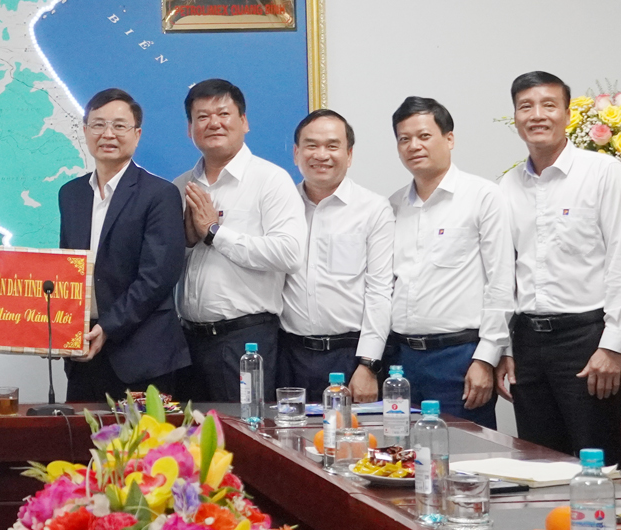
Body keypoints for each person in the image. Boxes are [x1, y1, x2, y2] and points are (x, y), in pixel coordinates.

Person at [495, 71, 621, 462]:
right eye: (526, 106)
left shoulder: (604, 172)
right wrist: (505, 347)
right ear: (515, 117)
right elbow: (504, 274)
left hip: (585, 340)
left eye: (548, 105)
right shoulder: (507, 186)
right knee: (539, 461)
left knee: (599, 461)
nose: (537, 115)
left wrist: (612, 346)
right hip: (527, 342)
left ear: (567, 114)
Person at [172, 79, 305, 403]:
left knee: (244, 431)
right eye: (202, 116)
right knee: (190, 431)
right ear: (190, 129)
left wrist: (215, 233)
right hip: (187, 341)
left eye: (223, 113)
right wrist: (187, 240)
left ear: (244, 121)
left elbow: (289, 253)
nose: (213, 123)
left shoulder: (270, 179)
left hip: (245, 340)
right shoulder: (180, 186)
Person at [386, 96, 515, 427]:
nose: (414, 146)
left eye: (424, 136)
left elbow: (501, 283)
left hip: (459, 358)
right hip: (401, 361)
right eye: (404, 138)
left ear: (449, 139)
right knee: (401, 451)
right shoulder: (393, 205)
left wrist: (486, 358)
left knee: (463, 453)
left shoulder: (483, 196)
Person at [59, 88, 189, 401]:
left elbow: (157, 277)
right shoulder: (71, 194)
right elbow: (67, 269)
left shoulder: (160, 194)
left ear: (137, 134)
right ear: (85, 131)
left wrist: (107, 327)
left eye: (119, 126)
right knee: (83, 433)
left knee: (144, 436)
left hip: (142, 356)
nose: (108, 134)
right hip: (83, 351)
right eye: (98, 125)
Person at [280, 109, 394, 403]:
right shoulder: (280, 206)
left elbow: (380, 290)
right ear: (296, 153)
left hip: (350, 357)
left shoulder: (373, 209)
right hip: (287, 357)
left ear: (349, 154)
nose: (322, 155)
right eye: (311, 145)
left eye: (332, 146)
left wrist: (368, 364)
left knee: (350, 434)